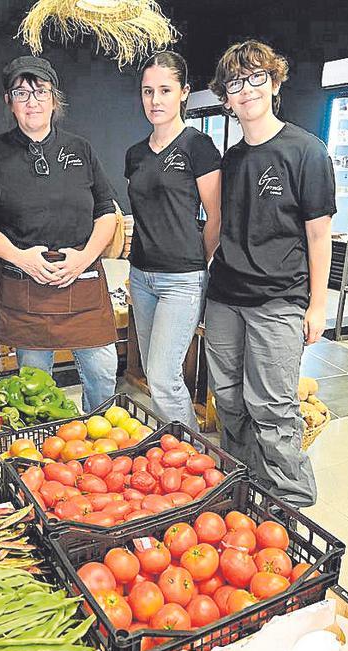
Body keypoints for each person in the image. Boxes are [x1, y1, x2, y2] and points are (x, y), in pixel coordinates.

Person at [203, 41, 334, 507]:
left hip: (280, 300)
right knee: (230, 400)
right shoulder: (232, 157)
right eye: (236, 83)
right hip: (224, 297)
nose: (247, 90)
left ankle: (291, 503)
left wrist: (318, 305)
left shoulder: (307, 152)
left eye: (256, 78)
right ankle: (243, 486)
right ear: (226, 98)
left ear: (275, 83)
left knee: (274, 408)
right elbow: (223, 228)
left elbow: (320, 237)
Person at [0, 56, 120, 412]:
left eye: (40, 91)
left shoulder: (81, 150)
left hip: (81, 279)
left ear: (54, 98)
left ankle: (101, 446)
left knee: (102, 370)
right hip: (25, 281)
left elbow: (106, 212)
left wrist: (83, 258)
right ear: (9, 102)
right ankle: (44, 449)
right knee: (36, 383)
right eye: (21, 93)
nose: (32, 101)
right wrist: (21, 257)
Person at [125, 51, 222, 427]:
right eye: (148, 91)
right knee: (155, 374)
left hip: (181, 279)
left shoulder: (198, 146)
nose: (155, 100)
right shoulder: (134, 154)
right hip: (141, 277)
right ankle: (172, 453)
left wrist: (198, 259)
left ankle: (195, 461)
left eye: (165, 90)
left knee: (164, 379)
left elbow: (216, 217)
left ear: (184, 93)